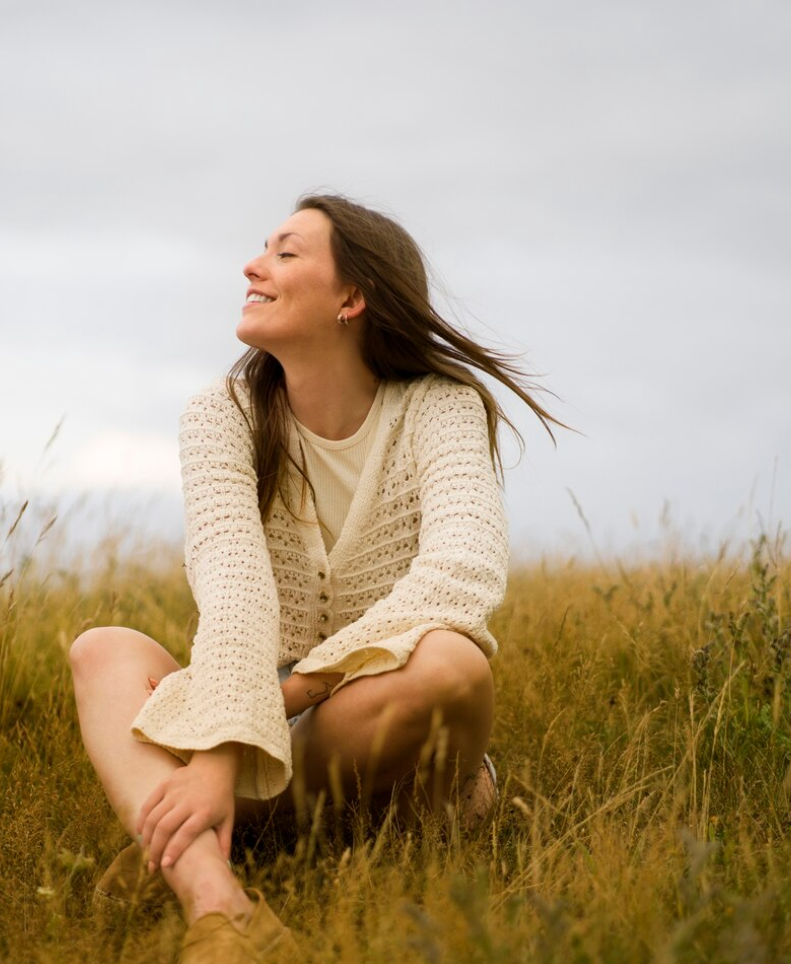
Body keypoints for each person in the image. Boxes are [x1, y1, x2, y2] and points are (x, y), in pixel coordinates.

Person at [68, 193, 569, 962]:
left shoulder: (443, 408)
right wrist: (228, 739)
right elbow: (233, 589)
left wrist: (254, 720)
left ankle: (201, 839)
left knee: (452, 660)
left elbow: (457, 580)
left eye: (286, 252)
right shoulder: (223, 414)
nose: (252, 265)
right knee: (104, 650)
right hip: (267, 716)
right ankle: (217, 905)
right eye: (262, 248)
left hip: (387, 732)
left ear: (353, 297)